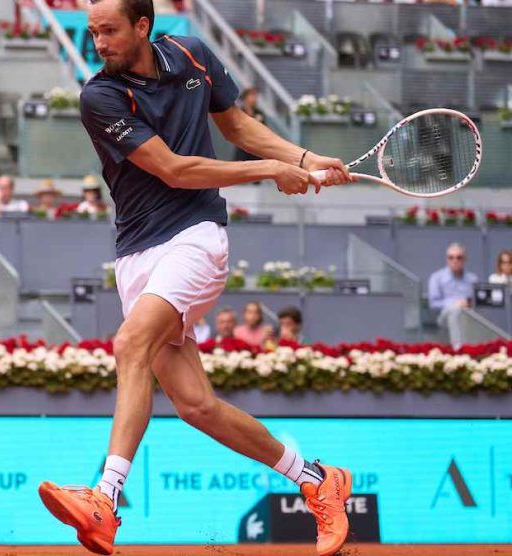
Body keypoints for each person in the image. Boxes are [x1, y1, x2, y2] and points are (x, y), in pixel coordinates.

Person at [37, 3, 356, 556]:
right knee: (195, 406)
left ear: (143, 26)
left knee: (130, 344)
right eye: (92, 32)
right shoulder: (100, 96)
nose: (98, 43)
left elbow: (236, 125)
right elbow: (174, 169)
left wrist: (302, 156)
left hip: (195, 238)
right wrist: (271, 170)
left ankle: (104, 501)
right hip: (136, 255)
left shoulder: (193, 54)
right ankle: (316, 478)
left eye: (109, 30)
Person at [429, 243, 478, 348]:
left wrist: (467, 303)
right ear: (447, 259)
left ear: (464, 259)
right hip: (444, 318)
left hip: (467, 316)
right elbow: (433, 303)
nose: (454, 260)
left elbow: (477, 302)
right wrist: (455, 303)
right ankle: (458, 348)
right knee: (454, 309)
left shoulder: (472, 279)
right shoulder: (437, 277)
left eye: (459, 257)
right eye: (451, 257)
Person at [233, 87, 264, 162]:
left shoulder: (259, 113)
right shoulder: (239, 111)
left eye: (255, 96)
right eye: (252, 95)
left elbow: (264, 129)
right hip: (242, 147)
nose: (255, 98)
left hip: (256, 147)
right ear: (246, 97)